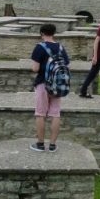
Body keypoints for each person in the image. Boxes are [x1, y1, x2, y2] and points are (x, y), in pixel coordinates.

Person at [29, 23, 71, 153]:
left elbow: (35, 68)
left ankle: (40, 144)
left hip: (42, 83)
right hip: (57, 86)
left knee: (40, 114)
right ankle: (52, 145)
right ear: (54, 33)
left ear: (42, 33)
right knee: (55, 114)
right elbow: (67, 67)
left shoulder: (39, 47)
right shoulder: (60, 47)